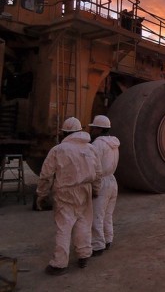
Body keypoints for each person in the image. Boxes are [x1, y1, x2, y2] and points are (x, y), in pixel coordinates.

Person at [36, 117, 102, 276]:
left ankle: (59, 264)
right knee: (83, 222)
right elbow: (98, 173)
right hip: (85, 189)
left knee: (64, 226)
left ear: (65, 132)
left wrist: (41, 195)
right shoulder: (90, 148)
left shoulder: (58, 150)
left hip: (65, 191)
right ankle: (84, 255)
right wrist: (95, 190)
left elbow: (46, 175)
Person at [88, 115, 120, 256]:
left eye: (94, 128)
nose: (92, 130)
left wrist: (93, 187)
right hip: (112, 181)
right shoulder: (114, 143)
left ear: (100, 129)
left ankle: (97, 246)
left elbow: (93, 167)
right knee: (107, 215)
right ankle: (108, 239)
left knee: (96, 216)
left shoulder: (97, 145)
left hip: (101, 182)